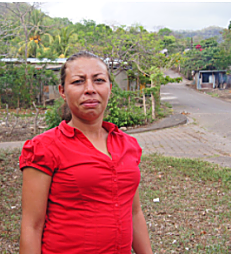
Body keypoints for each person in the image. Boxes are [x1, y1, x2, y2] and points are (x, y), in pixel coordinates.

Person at [19, 51, 153, 254]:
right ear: (62, 91)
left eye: (99, 80)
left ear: (110, 88)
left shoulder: (128, 145)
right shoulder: (44, 148)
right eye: (78, 82)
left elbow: (134, 213)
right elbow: (32, 226)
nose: (90, 89)